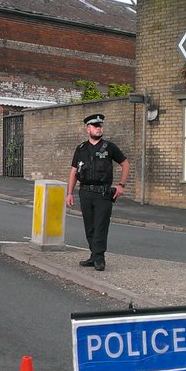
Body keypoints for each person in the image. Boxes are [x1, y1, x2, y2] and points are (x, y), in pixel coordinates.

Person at [66, 113, 129, 271]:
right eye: (95, 126)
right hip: (85, 193)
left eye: (100, 126)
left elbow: (125, 164)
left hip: (103, 194)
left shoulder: (109, 147)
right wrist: (69, 193)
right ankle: (94, 256)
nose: (99, 128)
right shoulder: (81, 149)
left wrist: (121, 185)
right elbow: (74, 171)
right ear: (88, 129)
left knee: (100, 226)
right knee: (89, 227)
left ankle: (99, 258)